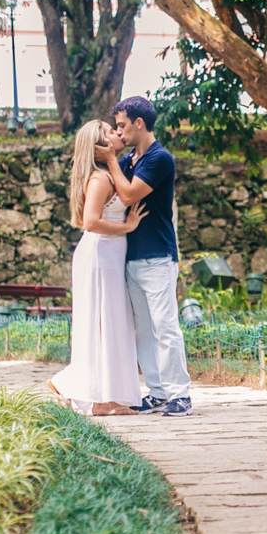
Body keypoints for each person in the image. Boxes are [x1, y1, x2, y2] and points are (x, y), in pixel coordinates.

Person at [96, 96, 193, 417]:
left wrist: (111, 159)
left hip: (157, 256)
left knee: (165, 327)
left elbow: (128, 194)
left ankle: (181, 395)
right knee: (145, 330)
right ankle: (158, 392)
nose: (119, 133)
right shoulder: (128, 161)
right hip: (131, 256)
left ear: (139, 123)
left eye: (122, 125)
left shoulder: (159, 158)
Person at [48, 120, 146, 416]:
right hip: (101, 254)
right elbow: (90, 222)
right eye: (109, 131)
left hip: (109, 255)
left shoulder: (111, 172)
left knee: (112, 324)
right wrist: (127, 226)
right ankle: (74, 386)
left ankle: (107, 400)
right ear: (99, 145)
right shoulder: (100, 179)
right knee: (104, 323)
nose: (117, 132)